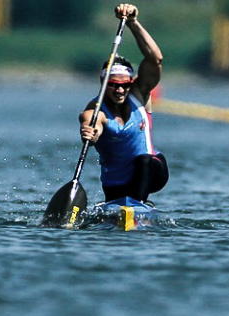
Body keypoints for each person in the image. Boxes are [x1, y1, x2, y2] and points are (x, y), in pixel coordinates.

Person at [79, 3, 167, 204]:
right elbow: (92, 125)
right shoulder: (94, 111)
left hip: (151, 171)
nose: (120, 90)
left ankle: (139, 204)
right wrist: (90, 134)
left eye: (124, 85)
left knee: (144, 160)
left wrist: (133, 23)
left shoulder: (139, 94)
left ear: (130, 83)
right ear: (103, 83)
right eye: (113, 85)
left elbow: (155, 59)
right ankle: (130, 206)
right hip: (116, 183)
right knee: (117, 198)